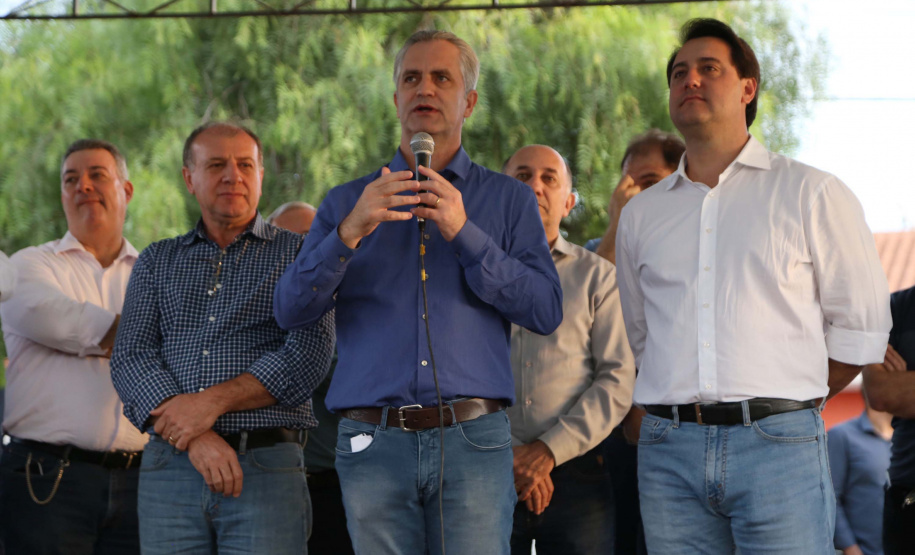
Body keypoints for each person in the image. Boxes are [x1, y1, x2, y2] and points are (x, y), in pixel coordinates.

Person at [274, 30, 562, 555]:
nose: (424, 88)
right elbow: (291, 309)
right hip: (371, 441)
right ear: (396, 99)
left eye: (441, 78)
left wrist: (464, 232)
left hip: (473, 439)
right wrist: (348, 233)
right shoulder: (346, 202)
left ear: (468, 101)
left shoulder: (509, 200)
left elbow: (544, 310)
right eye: (411, 78)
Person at [614, 18, 891, 553]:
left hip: (779, 449)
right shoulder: (641, 216)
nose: (689, 79)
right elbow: (643, 335)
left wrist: (785, 406)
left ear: (747, 88)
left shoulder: (812, 193)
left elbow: (861, 328)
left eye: (708, 68)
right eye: (678, 73)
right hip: (669, 450)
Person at [110, 122, 335, 554]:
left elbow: (307, 357)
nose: (233, 175)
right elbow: (131, 358)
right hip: (169, 469)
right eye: (216, 164)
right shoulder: (157, 259)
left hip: (266, 467)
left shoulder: (302, 254)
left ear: (261, 175)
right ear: (189, 178)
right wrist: (196, 435)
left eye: (245, 164)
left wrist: (207, 405)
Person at [0, 139, 145, 554]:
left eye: (97, 175)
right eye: (70, 179)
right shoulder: (26, 266)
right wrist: (154, 338)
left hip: (144, 481)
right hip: (46, 477)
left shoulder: (154, 271)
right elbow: (67, 323)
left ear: (127, 190)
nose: (83, 185)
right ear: (62, 195)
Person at [502, 144, 635, 554]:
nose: (535, 187)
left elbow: (616, 378)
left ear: (569, 202)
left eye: (548, 179)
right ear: (499, 193)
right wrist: (508, 457)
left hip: (579, 475)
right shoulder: (469, 274)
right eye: (522, 176)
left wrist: (546, 452)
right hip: (485, 471)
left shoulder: (598, 278)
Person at [268, 199, 354, 555]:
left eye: (308, 238)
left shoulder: (351, 302)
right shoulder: (252, 311)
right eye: (283, 238)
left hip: (334, 487)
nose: (297, 249)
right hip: (265, 486)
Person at [862, 285, 915, 555]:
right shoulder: (894, 308)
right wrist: (893, 387)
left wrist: (904, 381)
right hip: (907, 494)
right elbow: (881, 393)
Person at [584, 128, 685, 264]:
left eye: (650, 183)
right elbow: (594, 285)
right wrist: (617, 228)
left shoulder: (704, 246)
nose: (633, 195)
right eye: (627, 186)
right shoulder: (596, 250)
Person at [827, 391, 892, 555]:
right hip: (866, 550)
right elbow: (830, 497)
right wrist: (850, 547)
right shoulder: (842, 436)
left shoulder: (906, 439)